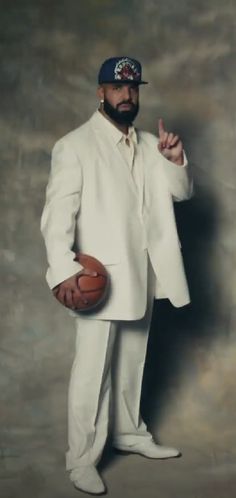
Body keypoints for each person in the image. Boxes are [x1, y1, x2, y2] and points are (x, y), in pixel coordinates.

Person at [40, 56, 193, 495]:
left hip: (144, 272)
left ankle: (129, 432)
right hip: (97, 280)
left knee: (132, 361)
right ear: (100, 92)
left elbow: (181, 194)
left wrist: (176, 160)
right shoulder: (74, 146)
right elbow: (56, 219)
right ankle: (81, 458)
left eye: (133, 88)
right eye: (117, 88)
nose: (127, 96)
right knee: (92, 371)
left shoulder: (150, 143)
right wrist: (63, 271)